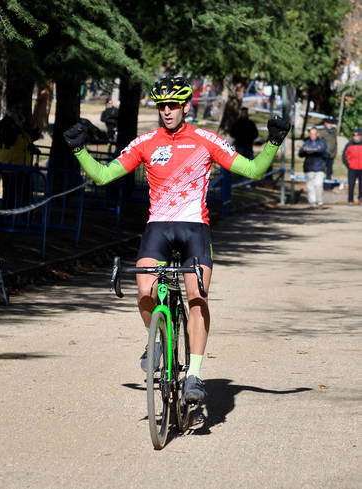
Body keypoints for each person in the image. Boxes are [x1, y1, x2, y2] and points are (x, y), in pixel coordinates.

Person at [64, 76, 290, 402]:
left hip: (194, 229)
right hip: (159, 227)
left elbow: (253, 171)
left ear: (186, 106)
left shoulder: (205, 139)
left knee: (197, 297)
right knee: (144, 290)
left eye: (173, 105)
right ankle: (157, 339)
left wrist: (273, 142)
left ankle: (195, 374)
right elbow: (102, 176)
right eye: (161, 106)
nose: (167, 111)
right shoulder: (145, 142)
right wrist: (78, 150)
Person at [0, 100, 40, 209]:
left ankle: (26, 222)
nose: (19, 112)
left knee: (27, 198)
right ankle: (6, 220)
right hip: (10, 167)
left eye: (21, 109)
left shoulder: (22, 124)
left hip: (24, 167)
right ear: (9, 110)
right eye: (16, 109)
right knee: (10, 198)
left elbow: (35, 136)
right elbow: (9, 139)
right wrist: (18, 123)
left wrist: (32, 124)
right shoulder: (3, 124)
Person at [298, 127, 329, 209]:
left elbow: (327, 154)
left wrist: (320, 151)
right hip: (309, 168)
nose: (312, 135)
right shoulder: (307, 142)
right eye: (311, 134)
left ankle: (320, 202)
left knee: (318, 185)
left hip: (319, 168)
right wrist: (303, 151)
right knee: (310, 187)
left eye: (314, 134)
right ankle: (312, 203)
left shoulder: (322, 143)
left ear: (317, 134)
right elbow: (300, 154)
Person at [342, 128, 362, 205]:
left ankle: (360, 198)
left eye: (357, 135)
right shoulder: (349, 144)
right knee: (351, 185)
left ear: (360, 136)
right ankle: (350, 200)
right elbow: (344, 156)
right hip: (352, 168)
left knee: (361, 185)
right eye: (354, 135)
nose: (355, 136)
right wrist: (349, 165)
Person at [319, 118, 337, 190]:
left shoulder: (333, 132)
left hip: (331, 156)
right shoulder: (322, 132)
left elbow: (335, 143)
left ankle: (328, 187)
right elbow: (319, 143)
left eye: (331, 124)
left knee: (329, 171)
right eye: (328, 123)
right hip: (324, 155)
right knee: (321, 171)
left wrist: (334, 153)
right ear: (325, 124)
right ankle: (320, 186)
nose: (330, 125)